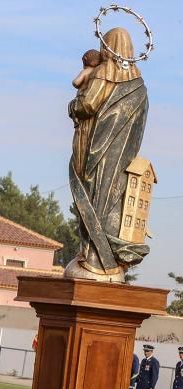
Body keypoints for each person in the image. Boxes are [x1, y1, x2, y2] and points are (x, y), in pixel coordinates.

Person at [66, 27, 149, 279]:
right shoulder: (139, 85)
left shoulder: (104, 72)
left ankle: (94, 257)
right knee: (111, 198)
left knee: (91, 196)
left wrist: (72, 104)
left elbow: (87, 104)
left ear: (107, 46)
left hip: (94, 147)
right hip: (123, 154)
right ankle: (107, 261)